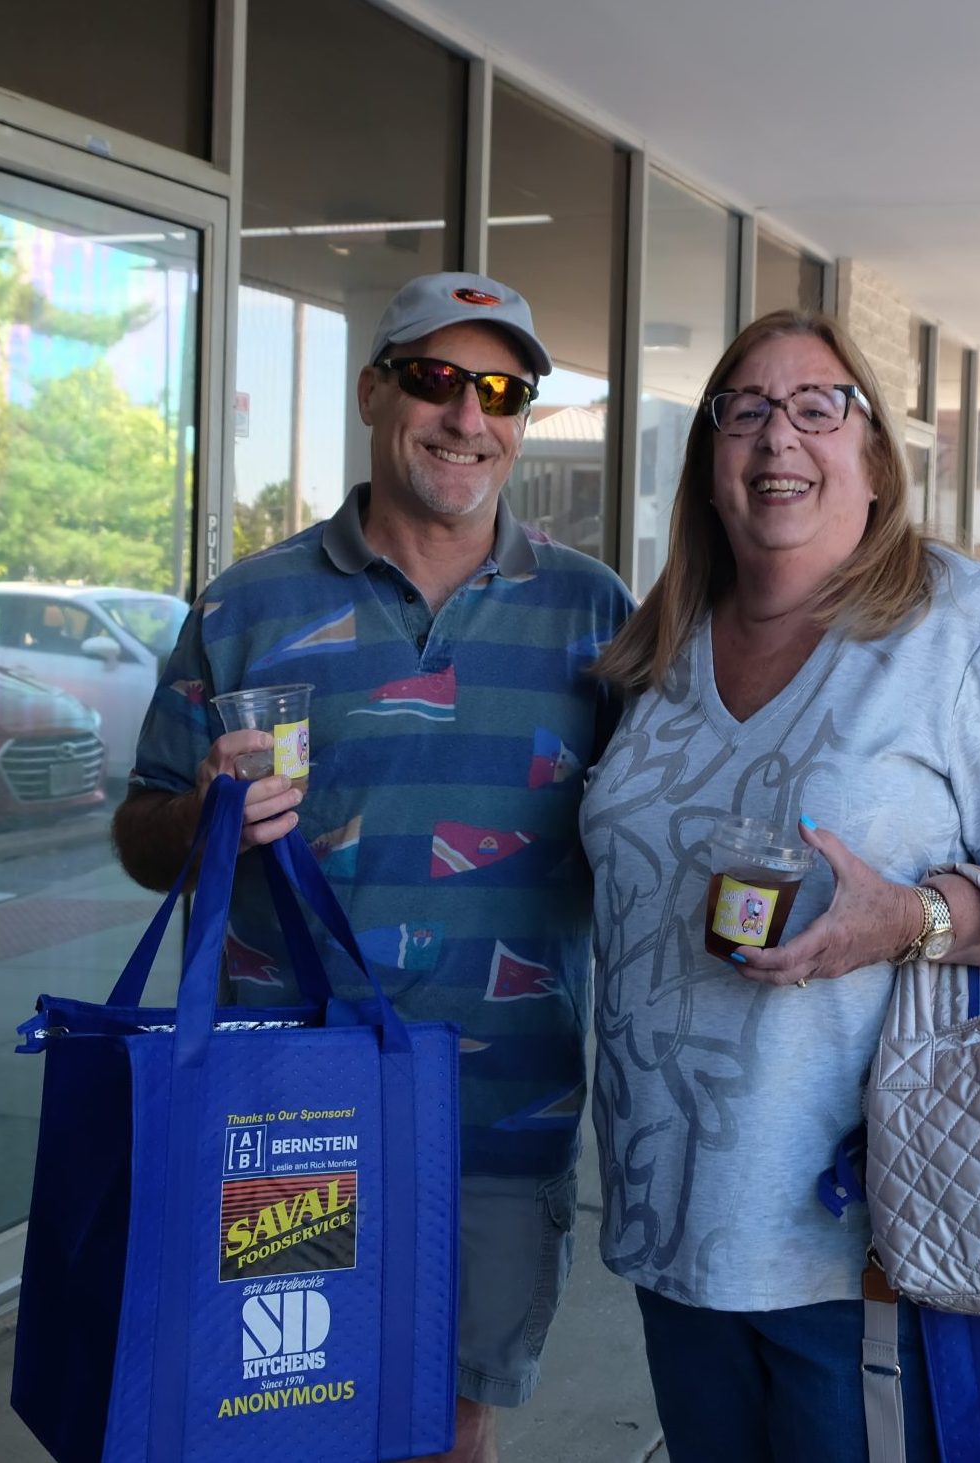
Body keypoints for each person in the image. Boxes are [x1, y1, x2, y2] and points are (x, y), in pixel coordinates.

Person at [579, 310, 980, 1462]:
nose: (779, 437)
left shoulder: (958, 627)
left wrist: (912, 917)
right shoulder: (663, 639)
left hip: (865, 1227)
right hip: (669, 1213)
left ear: (874, 458)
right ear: (710, 460)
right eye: (745, 410)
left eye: (817, 406)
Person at [114, 271, 634, 1463]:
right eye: (434, 378)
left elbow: (651, 843)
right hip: (292, 1106)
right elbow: (145, 841)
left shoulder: (593, 614)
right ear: (373, 392)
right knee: (283, 1408)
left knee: (448, 1421)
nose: (467, 414)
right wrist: (196, 813)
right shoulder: (250, 603)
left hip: (502, 1105)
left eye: (500, 389)